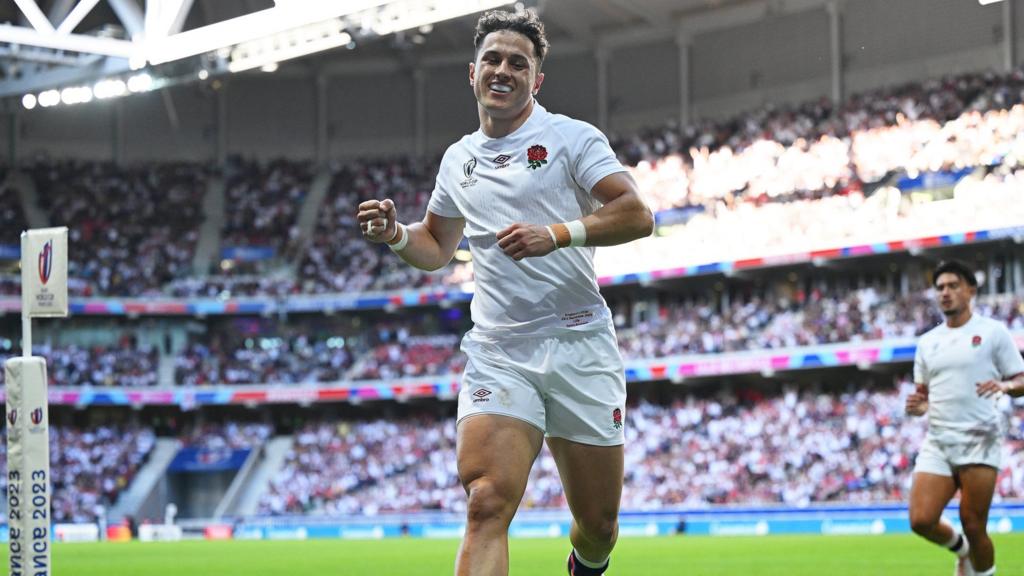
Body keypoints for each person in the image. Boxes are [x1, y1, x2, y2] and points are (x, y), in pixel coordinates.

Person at [357, 8, 653, 575]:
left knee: (599, 526)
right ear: (472, 72)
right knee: (487, 501)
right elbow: (437, 247)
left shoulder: (570, 139)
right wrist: (396, 235)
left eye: (518, 63)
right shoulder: (458, 159)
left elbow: (637, 213)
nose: (502, 70)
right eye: (492, 59)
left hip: (579, 343)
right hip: (499, 351)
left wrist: (558, 234)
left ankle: (586, 564)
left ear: (535, 80)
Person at [905, 260, 1024, 576]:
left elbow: (1021, 379)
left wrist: (1007, 385)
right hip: (939, 441)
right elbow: (922, 395)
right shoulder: (928, 342)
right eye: (940, 287)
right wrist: (917, 406)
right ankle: (962, 552)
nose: (945, 292)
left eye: (953, 285)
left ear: (970, 290)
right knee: (921, 519)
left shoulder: (993, 333)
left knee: (973, 523)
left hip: (980, 437)